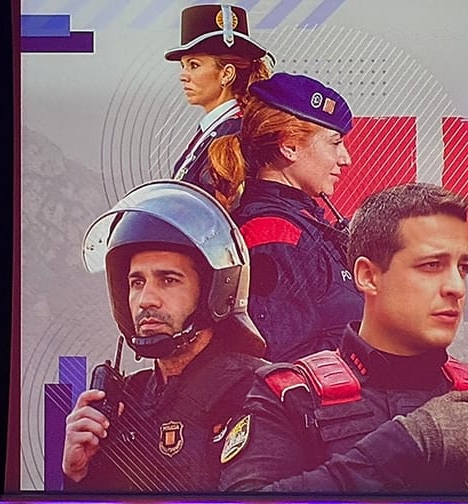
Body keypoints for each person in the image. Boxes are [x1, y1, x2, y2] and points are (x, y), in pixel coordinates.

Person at [219, 183, 468, 495]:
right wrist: (406, 444)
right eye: (431, 265)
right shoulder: (291, 396)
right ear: (368, 276)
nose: (456, 286)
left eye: (463, 267)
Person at [63, 180, 267, 492]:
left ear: (215, 291)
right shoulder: (125, 402)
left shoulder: (255, 392)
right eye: (136, 282)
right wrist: (78, 475)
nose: (146, 299)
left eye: (168, 280)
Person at [208, 73, 363, 362]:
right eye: (335, 143)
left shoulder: (300, 223)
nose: (345, 158)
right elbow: (284, 366)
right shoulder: (273, 233)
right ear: (289, 146)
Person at [165, 4, 272, 207]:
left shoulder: (236, 133)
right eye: (183, 66)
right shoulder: (215, 129)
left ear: (226, 74)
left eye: (194, 65)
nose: (183, 76)